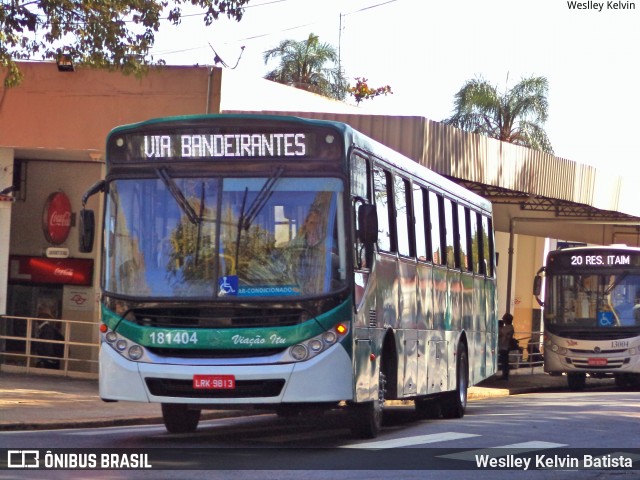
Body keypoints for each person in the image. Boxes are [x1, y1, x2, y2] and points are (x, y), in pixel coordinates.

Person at [498, 313, 515, 380]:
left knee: (504, 361)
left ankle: (505, 376)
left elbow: (501, 333)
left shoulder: (509, 327)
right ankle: (504, 375)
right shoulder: (509, 327)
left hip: (505, 346)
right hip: (504, 346)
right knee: (504, 361)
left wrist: (499, 326)